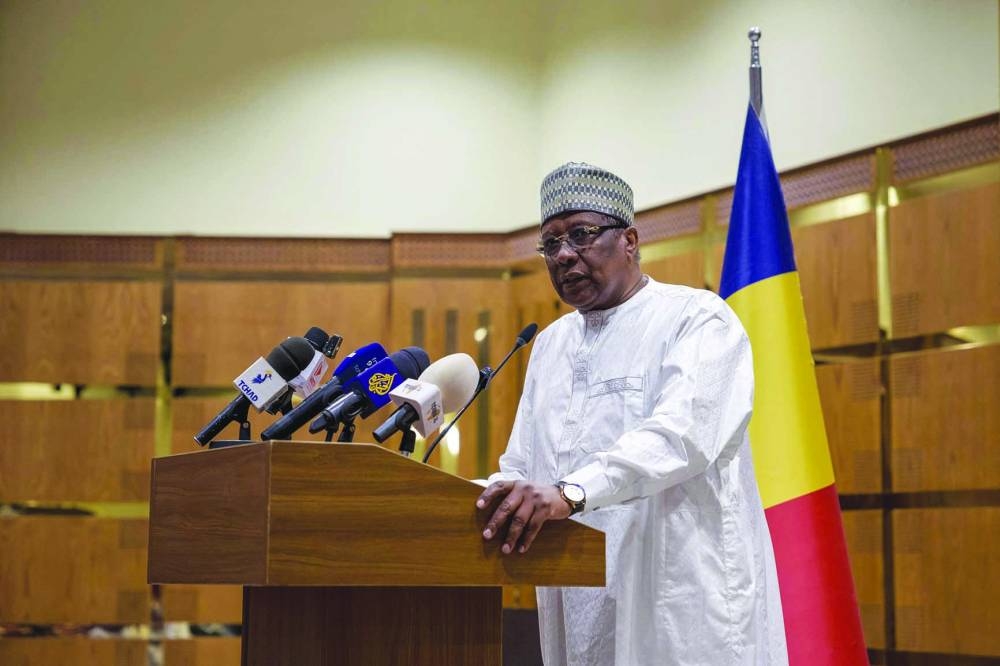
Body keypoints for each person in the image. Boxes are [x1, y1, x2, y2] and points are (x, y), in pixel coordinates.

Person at [476, 162, 788, 665]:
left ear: (630, 240)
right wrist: (493, 496)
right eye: (550, 244)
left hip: (678, 602)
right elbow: (522, 464)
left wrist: (569, 493)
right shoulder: (551, 346)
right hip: (582, 599)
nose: (564, 255)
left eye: (581, 234)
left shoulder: (697, 319)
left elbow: (680, 437)